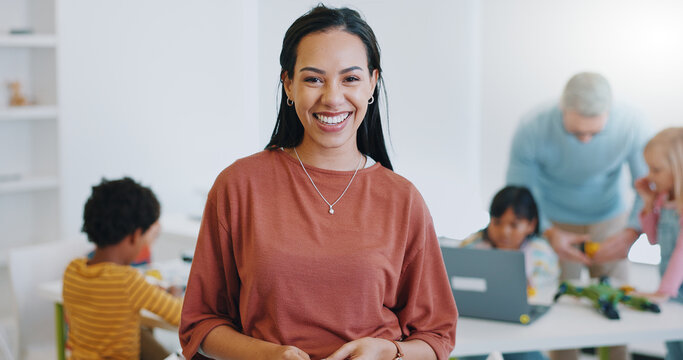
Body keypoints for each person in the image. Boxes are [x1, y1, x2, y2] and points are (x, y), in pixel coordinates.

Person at [179, 5, 457, 360]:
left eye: (350, 79)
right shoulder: (239, 186)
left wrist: (388, 352)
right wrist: (267, 356)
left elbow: (437, 337)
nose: (333, 97)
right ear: (288, 84)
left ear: (372, 82)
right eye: (313, 79)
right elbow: (200, 324)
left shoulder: (403, 199)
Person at [506, 72, 650, 360]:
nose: (585, 140)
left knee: (617, 309)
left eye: (594, 133)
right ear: (563, 108)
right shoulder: (532, 127)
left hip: (611, 221)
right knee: (560, 313)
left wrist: (632, 232)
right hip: (554, 222)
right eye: (577, 132)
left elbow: (648, 187)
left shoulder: (632, 124)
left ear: (609, 114)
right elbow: (520, 192)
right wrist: (548, 231)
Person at [62, 177, 182, 360]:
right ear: (135, 236)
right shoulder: (128, 281)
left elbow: (109, 303)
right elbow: (180, 315)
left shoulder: (73, 270)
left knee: (141, 335)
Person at [458, 186, 556, 360]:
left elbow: (546, 291)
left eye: (514, 224)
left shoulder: (540, 253)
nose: (505, 231)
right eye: (497, 222)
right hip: (477, 326)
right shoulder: (472, 247)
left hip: (522, 330)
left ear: (531, 225)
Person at [633, 127, 683, 360]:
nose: (650, 176)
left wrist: (664, 291)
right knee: (674, 348)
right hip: (672, 289)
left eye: (656, 169)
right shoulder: (664, 199)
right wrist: (648, 203)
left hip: (673, 287)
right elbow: (654, 240)